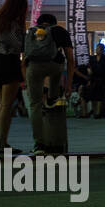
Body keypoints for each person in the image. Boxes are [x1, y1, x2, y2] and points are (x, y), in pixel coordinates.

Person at [24, 13, 76, 155]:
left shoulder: (32, 32)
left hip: (34, 67)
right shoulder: (59, 30)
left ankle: (39, 144)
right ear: (54, 22)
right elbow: (70, 59)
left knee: (35, 104)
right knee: (52, 101)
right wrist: (69, 85)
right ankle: (52, 97)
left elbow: (24, 57)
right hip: (55, 67)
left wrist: (24, 79)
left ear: (40, 23)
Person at [0, 0, 28, 154]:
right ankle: (2, 143)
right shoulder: (13, 25)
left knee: (2, 105)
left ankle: (2, 142)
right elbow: (18, 45)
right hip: (9, 62)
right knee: (7, 105)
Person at [87, 43, 105, 118]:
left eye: (98, 49)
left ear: (102, 50)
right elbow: (89, 67)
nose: (97, 50)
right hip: (93, 79)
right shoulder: (92, 58)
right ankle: (95, 111)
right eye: (96, 49)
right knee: (93, 96)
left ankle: (99, 112)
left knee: (100, 96)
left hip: (102, 79)